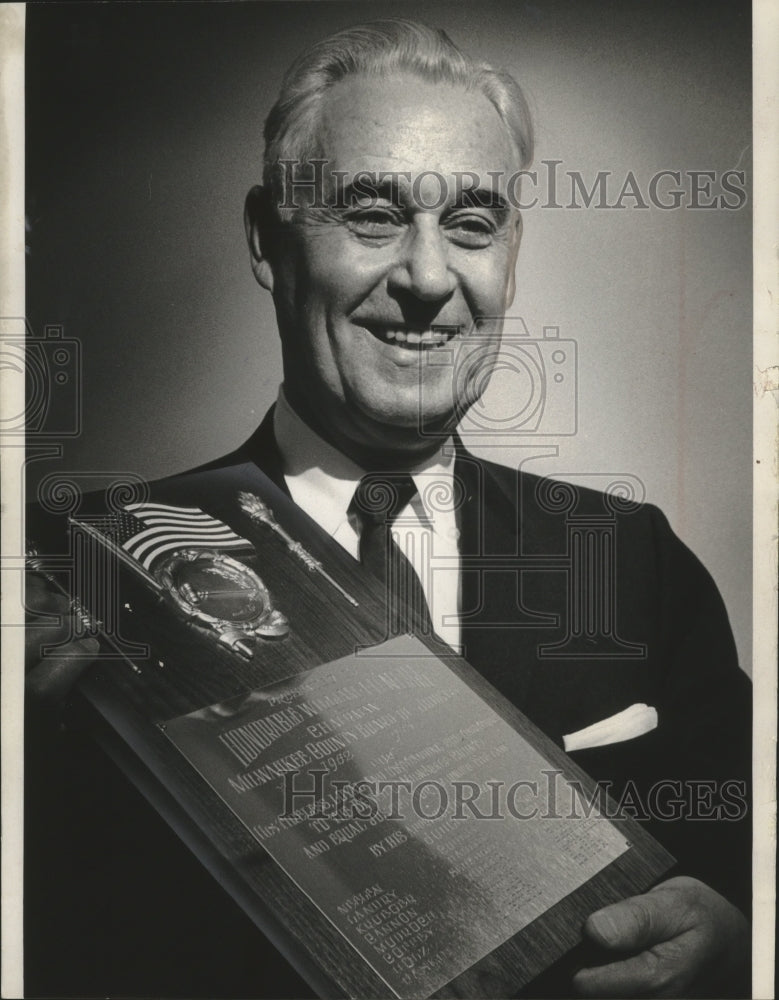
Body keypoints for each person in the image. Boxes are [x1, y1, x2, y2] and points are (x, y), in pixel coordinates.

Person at [25, 18, 751, 999]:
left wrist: (739, 940)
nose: (424, 278)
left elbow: (747, 850)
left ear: (510, 250)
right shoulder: (75, 573)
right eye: (370, 214)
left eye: (471, 223)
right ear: (266, 238)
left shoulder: (631, 561)